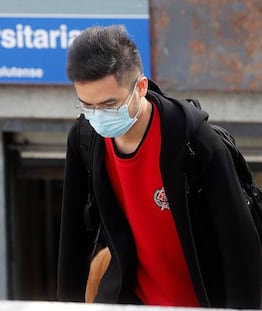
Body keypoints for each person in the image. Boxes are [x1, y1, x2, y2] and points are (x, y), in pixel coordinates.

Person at [57, 24, 262, 309]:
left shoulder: (198, 145)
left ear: (140, 87)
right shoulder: (84, 139)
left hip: (203, 301)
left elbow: (240, 248)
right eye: (86, 106)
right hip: (131, 300)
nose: (98, 116)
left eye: (109, 105)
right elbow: (74, 240)